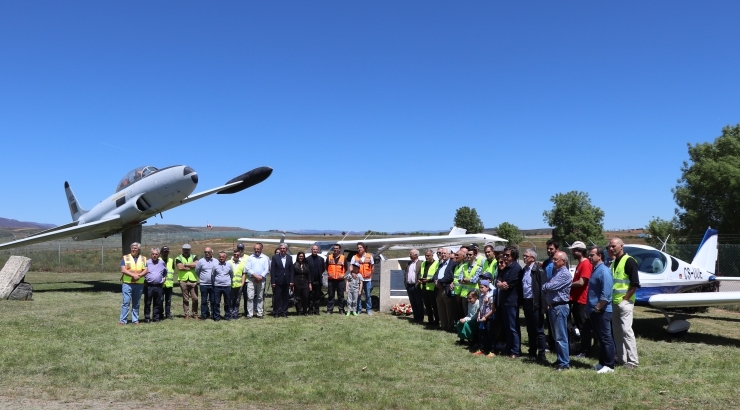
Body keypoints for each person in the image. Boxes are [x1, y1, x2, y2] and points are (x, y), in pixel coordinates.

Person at [608, 237, 640, 369]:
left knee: (627, 331)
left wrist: (625, 299)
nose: (611, 248)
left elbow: (635, 284)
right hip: (614, 302)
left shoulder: (629, 261)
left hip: (624, 303)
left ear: (622, 246)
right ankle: (621, 358)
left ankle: (633, 361)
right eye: (609, 246)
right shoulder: (614, 262)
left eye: (614, 246)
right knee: (616, 331)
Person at [542, 251, 573, 371]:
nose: (553, 261)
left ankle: (564, 363)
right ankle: (560, 359)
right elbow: (549, 284)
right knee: (556, 336)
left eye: (556, 259)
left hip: (560, 307)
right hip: (554, 307)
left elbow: (549, 286)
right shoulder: (556, 272)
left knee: (561, 336)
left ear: (563, 261)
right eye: (553, 259)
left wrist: (546, 286)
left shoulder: (564, 274)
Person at [586, 247, 616, 373]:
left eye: (592, 255)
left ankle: (609, 365)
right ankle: (602, 362)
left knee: (606, 338)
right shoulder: (596, 270)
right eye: (589, 255)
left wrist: (598, 307)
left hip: (602, 310)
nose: (589, 257)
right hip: (594, 310)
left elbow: (606, 294)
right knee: (600, 338)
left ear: (599, 256)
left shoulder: (604, 271)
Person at [521, 248, 548, 362]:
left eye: (526, 256)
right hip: (526, 302)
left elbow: (543, 289)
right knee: (530, 329)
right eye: (524, 256)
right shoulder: (524, 270)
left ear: (533, 258)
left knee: (539, 330)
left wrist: (543, 305)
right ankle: (532, 351)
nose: (524, 258)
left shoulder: (539, 270)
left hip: (535, 302)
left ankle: (541, 353)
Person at [495, 246, 522, 358]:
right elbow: (499, 280)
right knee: (507, 326)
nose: (505, 257)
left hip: (512, 302)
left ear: (514, 256)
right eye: (504, 255)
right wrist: (500, 283)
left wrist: (502, 284)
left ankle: (516, 350)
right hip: (504, 301)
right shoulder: (506, 268)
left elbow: (507, 285)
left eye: (507, 255)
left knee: (513, 327)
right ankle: (508, 348)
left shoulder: (516, 268)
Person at [568, 241, 593, 358]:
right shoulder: (580, 264)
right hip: (577, 300)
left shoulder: (586, 264)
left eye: (574, 250)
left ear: (581, 251)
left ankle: (585, 350)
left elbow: (582, 282)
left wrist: (567, 284)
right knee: (580, 325)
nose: (572, 252)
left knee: (584, 327)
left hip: (582, 301)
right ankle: (583, 349)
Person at [119, 242, 147, 325]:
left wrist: (139, 275)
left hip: (139, 284)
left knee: (136, 303)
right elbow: (123, 270)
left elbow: (146, 269)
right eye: (132, 248)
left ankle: (135, 320)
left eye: (135, 248)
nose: (133, 249)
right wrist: (133, 275)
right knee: (126, 302)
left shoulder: (143, 259)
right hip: (127, 283)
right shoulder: (125, 258)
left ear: (139, 249)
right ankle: (123, 321)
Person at [453, 248, 482, 319]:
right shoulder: (464, 266)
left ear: (475, 255)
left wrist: (465, 280)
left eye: (470, 254)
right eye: (467, 254)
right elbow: (459, 279)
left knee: (473, 314)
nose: (468, 256)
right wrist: (467, 280)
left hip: (474, 295)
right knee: (466, 314)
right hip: (464, 294)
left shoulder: (478, 267)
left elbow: (475, 280)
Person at [433, 248, 456, 332]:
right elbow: (435, 274)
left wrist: (439, 281)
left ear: (449, 255)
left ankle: (450, 326)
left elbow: (450, 277)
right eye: (442, 253)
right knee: (441, 308)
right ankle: (443, 325)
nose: (443, 255)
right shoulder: (441, 264)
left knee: (449, 309)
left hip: (446, 289)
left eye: (445, 253)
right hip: (438, 289)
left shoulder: (453, 264)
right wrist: (435, 281)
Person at [245, 243, 270, 319]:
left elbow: (266, 269)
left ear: (261, 249)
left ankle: (259, 313)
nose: (256, 250)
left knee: (260, 297)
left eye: (258, 249)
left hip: (261, 280)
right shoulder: (250, 257)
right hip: (251, 279)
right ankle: (250, 314)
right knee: (250, 297)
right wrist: (255, 276)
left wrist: (260, 277)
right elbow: (247, 268)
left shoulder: (265, 258)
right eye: (255, 249)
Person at [472, 280, 495, 358]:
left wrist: (485, 316)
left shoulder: (491, 297)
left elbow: (493, 309)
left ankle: (492, 351)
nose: (480, 289)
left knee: (490, 334)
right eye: (479, 287)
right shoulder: (481, 296)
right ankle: (482, 349)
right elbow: (480, 307)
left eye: (482, 287)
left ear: (487, 287)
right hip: (482, 318)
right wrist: (479, 315)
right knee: (481, 334)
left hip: (489, 318)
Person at [143, 247, 167, 323]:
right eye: (153, 254)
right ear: (151, 254)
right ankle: (147, 318)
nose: (154, 255)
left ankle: (156, 318)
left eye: (156, 254)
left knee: (158, 303)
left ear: (159, 255)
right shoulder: (147, 262)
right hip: (149, 286)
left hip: (158, 286)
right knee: (147, 302)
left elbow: (165, 272)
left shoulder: (162, 262)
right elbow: (142, 272)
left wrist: (164, 279)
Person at [270, 243, 294, 318]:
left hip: (286, 281)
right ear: (279, 249)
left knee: (285, 297)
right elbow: (272, 270)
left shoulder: (289, 258)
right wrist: (273, 281)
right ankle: (276, 312)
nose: (282, 250)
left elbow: (291, 270)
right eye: (281, 248)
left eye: (284, 248)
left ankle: (284, 312)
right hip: (278, 280)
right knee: (277, 297)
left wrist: (291, 281)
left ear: (286, 249)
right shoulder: (275, 257)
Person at [176, 244, 199, 319]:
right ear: (182, 249)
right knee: (185, 298)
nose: (186, 251)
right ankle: (187, 314)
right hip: (183, 280)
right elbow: (179, 267)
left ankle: (195, 313)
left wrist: (185, 264)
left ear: (190, 250)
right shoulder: (178, 258)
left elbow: (196, 264)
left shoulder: (194, 256)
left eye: (187, 249)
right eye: (185, 249)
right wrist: (190, 267)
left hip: (193, 280)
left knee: (195, 298)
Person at [195, 247, 218, 320]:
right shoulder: (201, 261)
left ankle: (214, 315)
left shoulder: (216, 261)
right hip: (203, 284)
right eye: (205, 252)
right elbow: (197, 271)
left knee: (213, 300)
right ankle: (204, 315)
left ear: (212, 252)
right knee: (204, 301)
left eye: (208, 252)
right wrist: (202, 278)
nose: (207, 253)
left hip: (213, 284)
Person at [353, 243, 375, 315]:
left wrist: (371, 276)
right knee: (358, 294)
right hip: (358, 280)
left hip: (367, 279)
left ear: (364, 248)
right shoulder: (355, 257)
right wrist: (352, 273)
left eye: (360, 247)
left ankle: (368, 309)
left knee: (368, 295)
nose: (359, 249)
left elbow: (372, 267)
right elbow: (351, 266)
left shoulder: (369, 256)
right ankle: (359, 309)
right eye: (358, 248)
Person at [419, 250, 439, 327]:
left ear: (432, 256)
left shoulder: (436, 263)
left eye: (428, 256)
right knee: (427, 305)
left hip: (431, 287)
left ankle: (436, 321)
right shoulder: (423, 263)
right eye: (426, 256)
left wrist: (429, 280)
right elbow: (421, 273)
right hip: (423, 287)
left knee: (434, 306)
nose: (427, 257)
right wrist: (419, 279)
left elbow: (436, 275)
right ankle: (430, 320)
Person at [211, 251, 234, 321]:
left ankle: (227, 316)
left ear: (225, 257)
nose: (221, 258)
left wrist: (228, 281)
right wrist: (214, 283)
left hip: (227, 286)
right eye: (220, 257)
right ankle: (217, 317)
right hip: (217, 286)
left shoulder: (229, 265)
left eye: (223, 257)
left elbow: (231, 274)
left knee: (227, 302)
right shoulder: (215, 265)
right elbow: (212, 275)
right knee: (216, 302)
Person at [326, 244, 347, 315]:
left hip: (340, 280)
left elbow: (346, 268)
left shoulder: (343, 258)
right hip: (331, 279)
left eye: (337, 248)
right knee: (331, 295)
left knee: (341, 295)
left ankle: (341, 309)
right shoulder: (329, 257)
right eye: (334, 248)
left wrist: (341, 275)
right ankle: (329, 309)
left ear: (339, 249)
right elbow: (326, 267)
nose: (335, 249)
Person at [404, 249, 424, 323]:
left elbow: (420, 274)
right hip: (409, 286)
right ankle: (415, 317)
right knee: (413, 302)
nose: (409, 255)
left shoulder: (421, 263)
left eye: (411, 254)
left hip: (417, 286)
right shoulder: (408, 263)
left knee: (419, 302)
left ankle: (420, 318)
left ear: (416, 255)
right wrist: (405, 283)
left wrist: (418, 284)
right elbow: (405, 274)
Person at [306, 244, 326, 315]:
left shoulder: (321, 259)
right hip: (310, 281)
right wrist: (309, 282)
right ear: (311, 250)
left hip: (318, 280)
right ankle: (310, 309)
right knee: (310, 296)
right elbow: (307, 271)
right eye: (313, 249)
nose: (315, 251)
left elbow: (323, 269)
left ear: (318, 250)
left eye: (316, 249)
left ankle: (316, 310)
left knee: (317, 296)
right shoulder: (307, 259)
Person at [228, 249, 247, 320]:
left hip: (239, 285)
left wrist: (242, 284)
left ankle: (235, 314)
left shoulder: (242, 263)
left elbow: (244, 274)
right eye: (235, 254)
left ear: (239, 255)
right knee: (230, 301)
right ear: (233, 254)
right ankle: (230, 314)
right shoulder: (228, 262)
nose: (236, 256)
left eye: (237, 255)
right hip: (230, 285)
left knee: (237, 301)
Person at [160, 246, 175, 320]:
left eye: (167, 252)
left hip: (169, 284)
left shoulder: (171, 261)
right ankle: (161, 314)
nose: (165, 253)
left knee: (168, 300)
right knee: (160, 300)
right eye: (164, 252)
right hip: (160, 284)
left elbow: (173, 270)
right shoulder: (158, 260)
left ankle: (168, 314)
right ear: (161, 252)